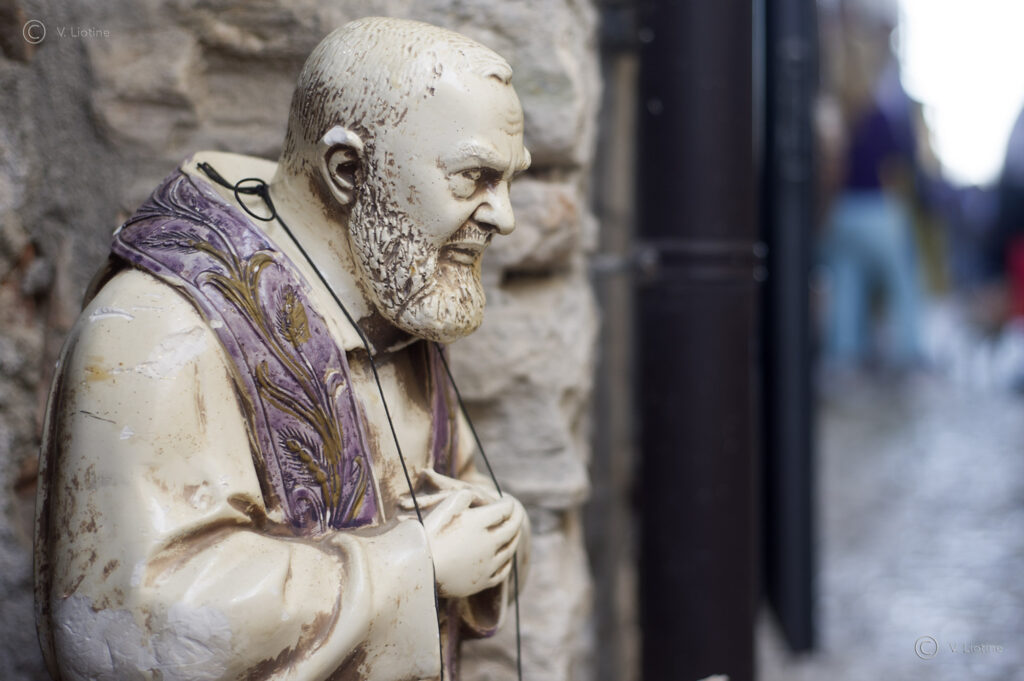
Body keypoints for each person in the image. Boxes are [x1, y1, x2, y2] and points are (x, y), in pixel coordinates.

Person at [34, 17, 530, 681]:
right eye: (474, 177)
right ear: (348, 170)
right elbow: (125, 629)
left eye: (511, 180)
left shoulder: (399, 293)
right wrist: (418, 564)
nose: (504, 217)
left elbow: (455, 494)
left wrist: (496, 529)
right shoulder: (158, 332)